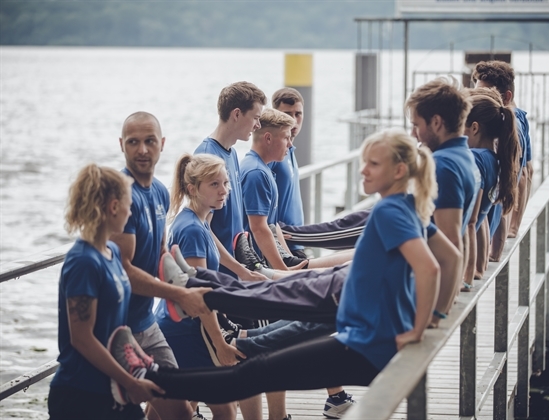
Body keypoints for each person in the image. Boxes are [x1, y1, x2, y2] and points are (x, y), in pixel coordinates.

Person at [110, 128, 440, 407]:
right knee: (257, 360)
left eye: (373, 164)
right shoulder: (413, 208)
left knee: (252, 370)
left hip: (367, 344)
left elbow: (431, 269)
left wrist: (417, 328)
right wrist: (426, 319)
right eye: (364, 162)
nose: (363, 170)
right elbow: (448, 258)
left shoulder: (390, 211)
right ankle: (163, 355)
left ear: (399, 171)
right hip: (362, 331)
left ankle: (151, 373)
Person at [110, 111, 210, 420]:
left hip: (146, 323)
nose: (142, 150)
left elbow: (160, 252)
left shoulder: (159, 193)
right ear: (121, 145)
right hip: (116, 330)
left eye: (149, 141)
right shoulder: (121, 196)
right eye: (134, 142)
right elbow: (123, 269)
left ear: (162, 144)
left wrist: (183, 279)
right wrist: (178, 296)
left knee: (179, 409)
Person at [48, 164, 163, 420]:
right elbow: (82, 339)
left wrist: (146, 363)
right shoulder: (83, 262)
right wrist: (131, 383)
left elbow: (117, 328)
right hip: (80, 394)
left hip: (111, 388)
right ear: (113, 207)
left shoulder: (112, 252)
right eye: (128, 204)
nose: (130, 210)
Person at [156, 153, 262, 420]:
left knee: (170, 407)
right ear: (193, 189)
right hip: (184, 327)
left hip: (179, 320)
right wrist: (220, 344)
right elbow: (199, 294)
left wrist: (243, 272)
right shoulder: (191, 229)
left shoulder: (198, 218)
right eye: (214, 184)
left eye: (225, 183)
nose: (224, 191)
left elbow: (214, 244)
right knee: (225, 407)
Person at [241, 108, 353, 271]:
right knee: (352, 260)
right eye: (286, 138)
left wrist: (289, 259)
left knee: (352, 258)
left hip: (276, 258)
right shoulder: (255, 173)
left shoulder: (262, 169)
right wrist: (284, 273)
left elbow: (272, 223)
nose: (290, 144)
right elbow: (258, 228)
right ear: (268, 138)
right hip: (263, 266)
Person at [406, 77, 480, 300]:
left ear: (436, 123)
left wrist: (439, 311)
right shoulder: (465, 157)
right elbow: (465, 229)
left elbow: (450, 241)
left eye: (416, 125)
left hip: (418, 286)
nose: (413, 135)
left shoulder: (443, 165)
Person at [194, 81, 270, 280]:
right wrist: (241, 271)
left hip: (236, 273)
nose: (258, 125)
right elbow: (204, 228)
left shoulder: (233, 154)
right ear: (237, 114)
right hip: (219, 275)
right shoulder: (206, 155)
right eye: (255, 117)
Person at [472, 61, 533, 260]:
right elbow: (527, 171)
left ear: (506, 97)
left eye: (485, 94)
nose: (478, 99)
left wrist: (512, 229)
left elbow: (519, 176)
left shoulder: (503, 129)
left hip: (488, 231)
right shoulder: (519, 117)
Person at [462, 87, 520, 288]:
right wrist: (483, 263)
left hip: (461, 259)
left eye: (460, 127)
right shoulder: (494, 161)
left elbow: (471, 221)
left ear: (475, 128)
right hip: (470, 257)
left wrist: (470, 275)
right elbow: (483, 219)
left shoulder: (476, 160)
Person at [269, 88, 307, 259]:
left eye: (298, 114)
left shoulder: (289, 150)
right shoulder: (272, 154)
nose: (293, 120)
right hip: (282, 244)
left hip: (297, 241)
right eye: (287, 114)